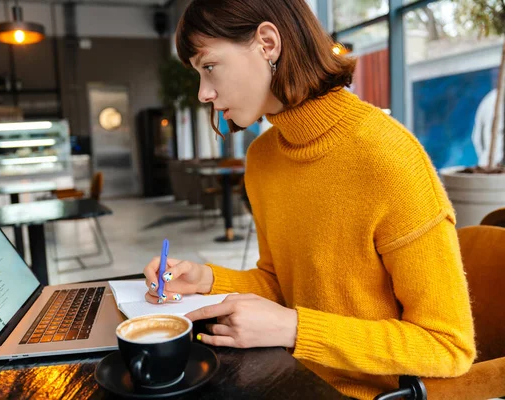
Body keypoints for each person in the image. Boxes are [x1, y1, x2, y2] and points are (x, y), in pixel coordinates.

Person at [143, 1, 476, 399]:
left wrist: (295, 328)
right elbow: (281, 285)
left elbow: (447, 346)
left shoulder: (387, 158)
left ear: (267, 43)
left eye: (209, 66)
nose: (203, 93)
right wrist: (207, 279)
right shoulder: (263, 158)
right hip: (286, 376)